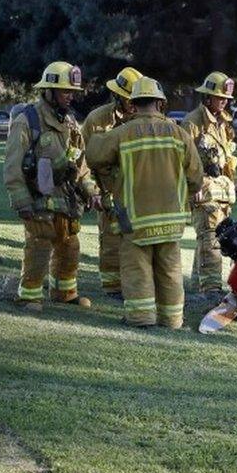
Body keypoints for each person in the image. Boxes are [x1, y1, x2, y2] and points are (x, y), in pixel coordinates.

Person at [86, 77, 203, 328]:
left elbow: (93, 156)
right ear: (161, 104)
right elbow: (196, 178)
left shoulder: (122, 133)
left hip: (135, 219)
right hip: (172, 220)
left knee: (137, 269)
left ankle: (140, 318)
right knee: (170, 271)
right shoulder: (180, 134)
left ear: (133, 103)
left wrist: (98, 136)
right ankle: (172, 319)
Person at [3, 61, 101, 312]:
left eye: (73, 91)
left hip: (65, 201)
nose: (71, 96)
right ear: (48, 91)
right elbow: (12, 165)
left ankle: (64, 293)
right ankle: (29, 296)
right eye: (65, 91)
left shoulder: (70, 123)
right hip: (38, 200)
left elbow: (81, 165)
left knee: (70, 246)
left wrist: (90, 190)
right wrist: (21, 201)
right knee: (39, 245)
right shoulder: (28, 120)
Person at [81, 66, 143, 300]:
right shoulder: (97, 120)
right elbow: (82, 161)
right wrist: (92, 191)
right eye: (129, 100)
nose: (133, 104)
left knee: (137, 243)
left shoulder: (144, 120)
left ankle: (136, 285)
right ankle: (112, 288)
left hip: (137, 194)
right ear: (117, 96)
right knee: (110, 242)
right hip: (108, 192)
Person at [181, 71, 237, 297]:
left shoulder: (223, 123)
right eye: (219, 97)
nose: (223, 101)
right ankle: (212, 289)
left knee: (208, 239)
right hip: (203, 193)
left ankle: (197, 287)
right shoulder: (192, 123)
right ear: (206, 97)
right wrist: (192, 187)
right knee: (211, 239)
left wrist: (234, 181)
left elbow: (228, 158)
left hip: (222, 193)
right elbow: (182, 159)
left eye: (226, 98)